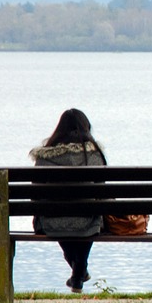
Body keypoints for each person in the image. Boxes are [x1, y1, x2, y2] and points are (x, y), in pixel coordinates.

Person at [29, 108, 105, 293]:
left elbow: (35, 195)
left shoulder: (44, 157)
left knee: (57, 218)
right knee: (91, 216)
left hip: (51, 223)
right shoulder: (94, 156)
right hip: (88, 222)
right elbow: (102, 192)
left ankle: (78, 272)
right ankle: (79, 271)